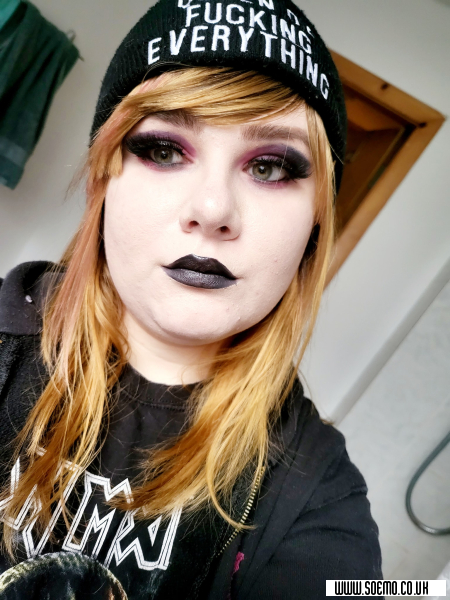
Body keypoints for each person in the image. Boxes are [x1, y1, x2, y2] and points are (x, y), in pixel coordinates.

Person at [0, 0, 383, 598]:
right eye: (163, 150)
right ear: (104, 177)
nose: (212, 210)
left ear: (316, 218)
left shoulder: (318, 492)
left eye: (271, 166)